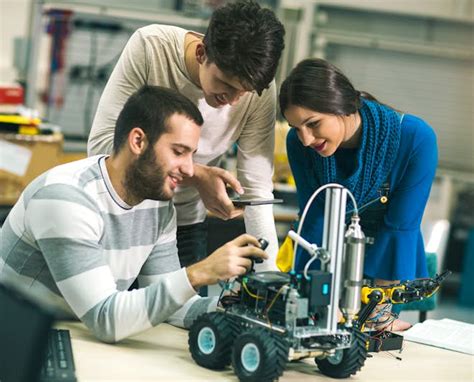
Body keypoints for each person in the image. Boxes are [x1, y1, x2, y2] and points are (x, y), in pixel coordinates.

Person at [0, 86, 267, 343]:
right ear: (138, 141)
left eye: (192, 155)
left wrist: (236, 306)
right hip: (14, 337)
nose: (189, 169)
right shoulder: (66, 197)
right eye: (178, 152)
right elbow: (106, 318)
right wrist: (200, 272)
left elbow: (172, 306)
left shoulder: (156, 203)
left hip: (71, 333)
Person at [87, 1, 285, 270]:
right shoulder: (151, 48)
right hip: (122, 218)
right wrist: (197, 176)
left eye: (244, 91)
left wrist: (268, 276)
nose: (234, 101)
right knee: (119, 309)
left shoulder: (259, 88)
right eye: (226, 84)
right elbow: (101, 148)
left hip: (184, 225)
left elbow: (257, 189)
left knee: (186, 312)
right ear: (202, 53)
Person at [279, 58, 438, 330]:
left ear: (342, 107)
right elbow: (314, 217)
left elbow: (400, 226)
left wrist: (378, 310)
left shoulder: (414, 139)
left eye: (313, 124)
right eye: (296, 128)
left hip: (382, 274)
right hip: (325, 262)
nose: (305, 139)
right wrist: (305, 294)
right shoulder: (299, 144)